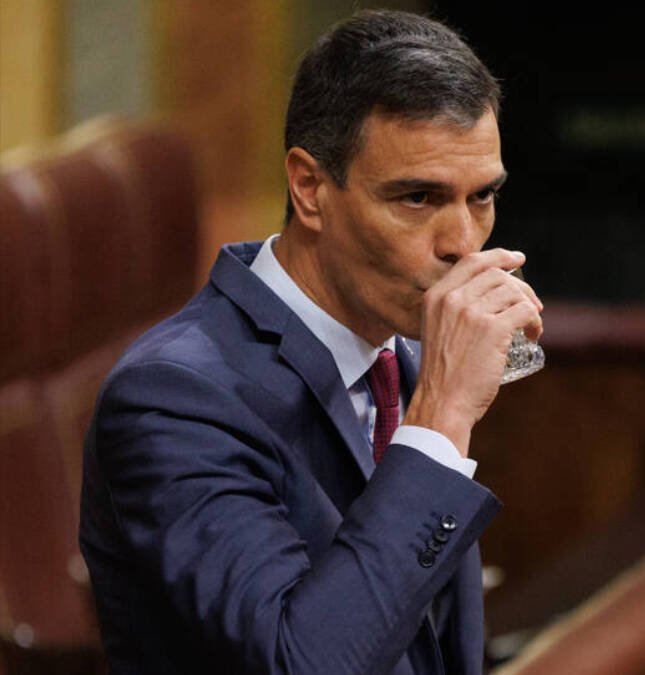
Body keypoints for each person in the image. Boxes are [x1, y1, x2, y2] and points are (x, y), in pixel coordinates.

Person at [78, 10, 542, 674]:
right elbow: (301, 662)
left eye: (482, 197)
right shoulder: (173, 398)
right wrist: (440, 417)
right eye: (417, 197)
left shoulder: (401, 354)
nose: (463, 243)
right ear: (310, 188)